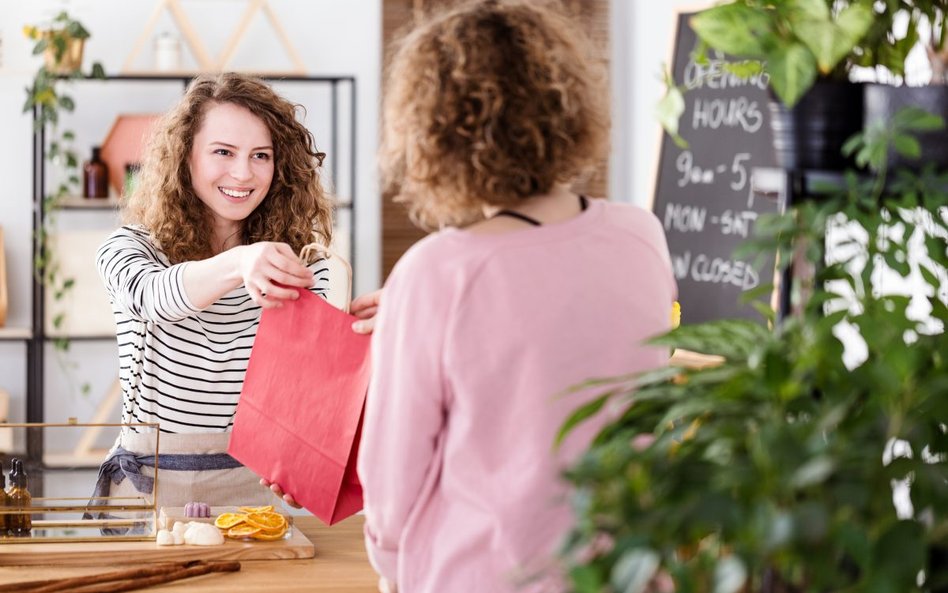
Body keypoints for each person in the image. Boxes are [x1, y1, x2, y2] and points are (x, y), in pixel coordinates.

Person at [356, 1, 678, 592]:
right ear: (567, 105)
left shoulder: (436, 272)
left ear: (434, 133)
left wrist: (392, 569)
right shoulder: (641, 235)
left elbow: (392, 473)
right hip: (626, 568)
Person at [93, 72, 377, 510]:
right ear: (185, 157)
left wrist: (304, 464)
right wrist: (241, 262)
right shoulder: (131, 248)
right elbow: (153, 298)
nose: (243, 173)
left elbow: (303, 392)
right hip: (145, 491)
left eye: (260, 155)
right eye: (223, 152)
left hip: (252, 494)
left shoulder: (304, 267)